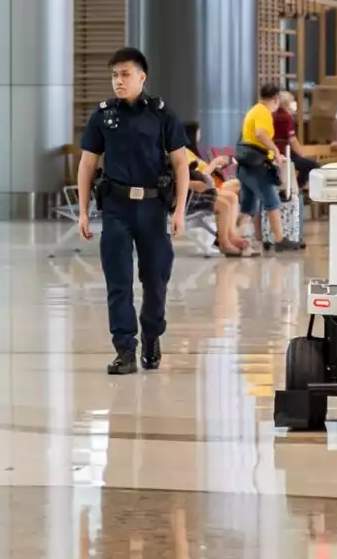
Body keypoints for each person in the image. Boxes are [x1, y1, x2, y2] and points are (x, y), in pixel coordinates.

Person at [77, 47, 191, 375]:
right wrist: (83, 211)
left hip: (153, 209)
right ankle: (125, 349)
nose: (118, 81)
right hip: (116, 208)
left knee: (155, 280)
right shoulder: (103, 116)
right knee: (119, 281)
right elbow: (87, 165)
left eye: (125, 74)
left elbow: (181, 163)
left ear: (142, 77)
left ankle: (152, 335)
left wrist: (179, 210)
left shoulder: (162, 115)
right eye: (114, 75)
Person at [235, 84, 302, 253]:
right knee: (272, 201)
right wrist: (276, 152)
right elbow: (260, 134)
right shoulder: (264, 112)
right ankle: (280, 239)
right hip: (256, 165)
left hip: (246, 164)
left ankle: (234, 236)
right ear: (276, 99)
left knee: (248, 205)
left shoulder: (254, 110)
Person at [182, 122, 252, 257]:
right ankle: (224, 241)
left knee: (232, 197)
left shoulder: (189, 152)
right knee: (229, 198)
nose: (199, 135)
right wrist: (214, 164)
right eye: (197, 133)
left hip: (207, 185)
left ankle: (231, 235)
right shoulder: (182, 154)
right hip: (200, 189)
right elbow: (199, 176)